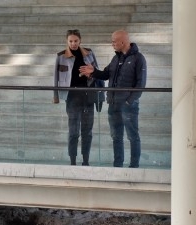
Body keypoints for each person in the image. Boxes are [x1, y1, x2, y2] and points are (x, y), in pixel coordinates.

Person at [80, 29, 147, 168]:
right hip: (113, 104)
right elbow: (105, 74)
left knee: (132, 137)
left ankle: (134, 166)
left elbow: (140, 84)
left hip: (128, 106)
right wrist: (94, 72)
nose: (112, 44)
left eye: (114, 41)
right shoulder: (116, 58)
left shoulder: (138, 58)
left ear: (122, 42)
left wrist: (129, 101)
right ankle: (118, 165)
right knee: (116, 137)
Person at [53, 29, 101, 166]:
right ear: (66, 41)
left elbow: (97, 73)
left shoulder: (89, 53)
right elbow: (56, 77)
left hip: (89, 95)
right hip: (72, 97)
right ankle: (72, 161)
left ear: (80, 41)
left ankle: (86, 160)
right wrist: (55, 96)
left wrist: (91, 76)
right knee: (73, 132)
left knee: (88, 131)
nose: (73, 44)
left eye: (76, 41)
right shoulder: (61, 56)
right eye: (71, 41)